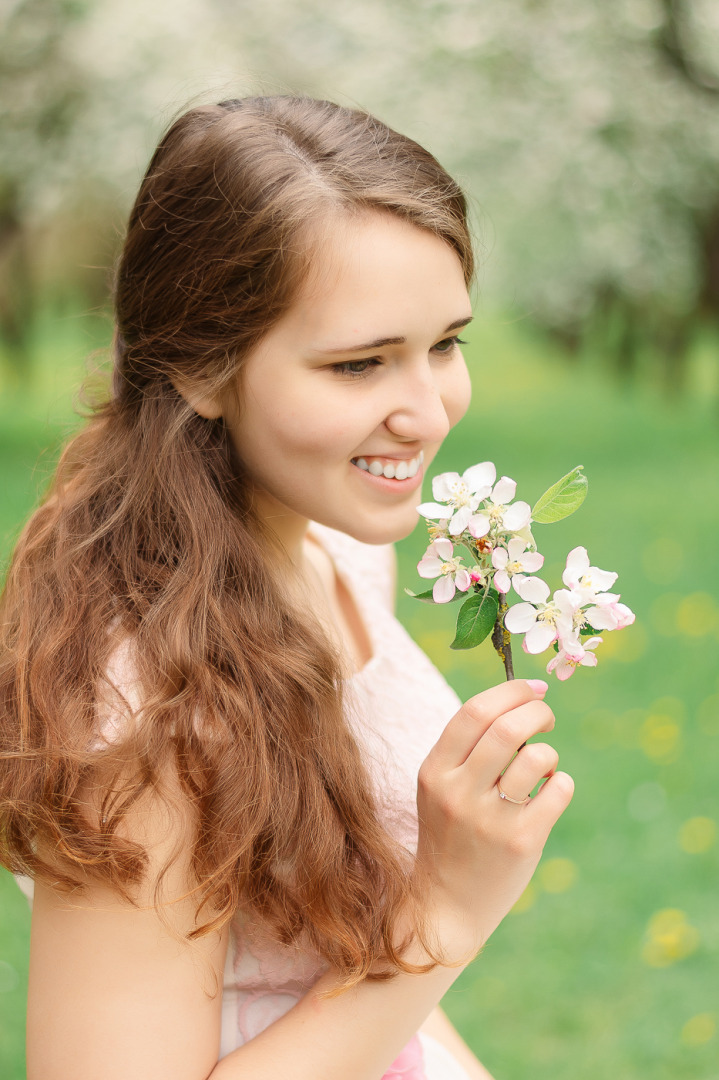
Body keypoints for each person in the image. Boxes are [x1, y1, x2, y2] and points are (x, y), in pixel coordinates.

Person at [0, 96, 574, 1080]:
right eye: (358, 364)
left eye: (444, 344)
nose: (428, 412)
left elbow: (351, 982)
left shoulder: (341, 556)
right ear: (200, 370)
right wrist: (443, 911)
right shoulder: (142, 720)